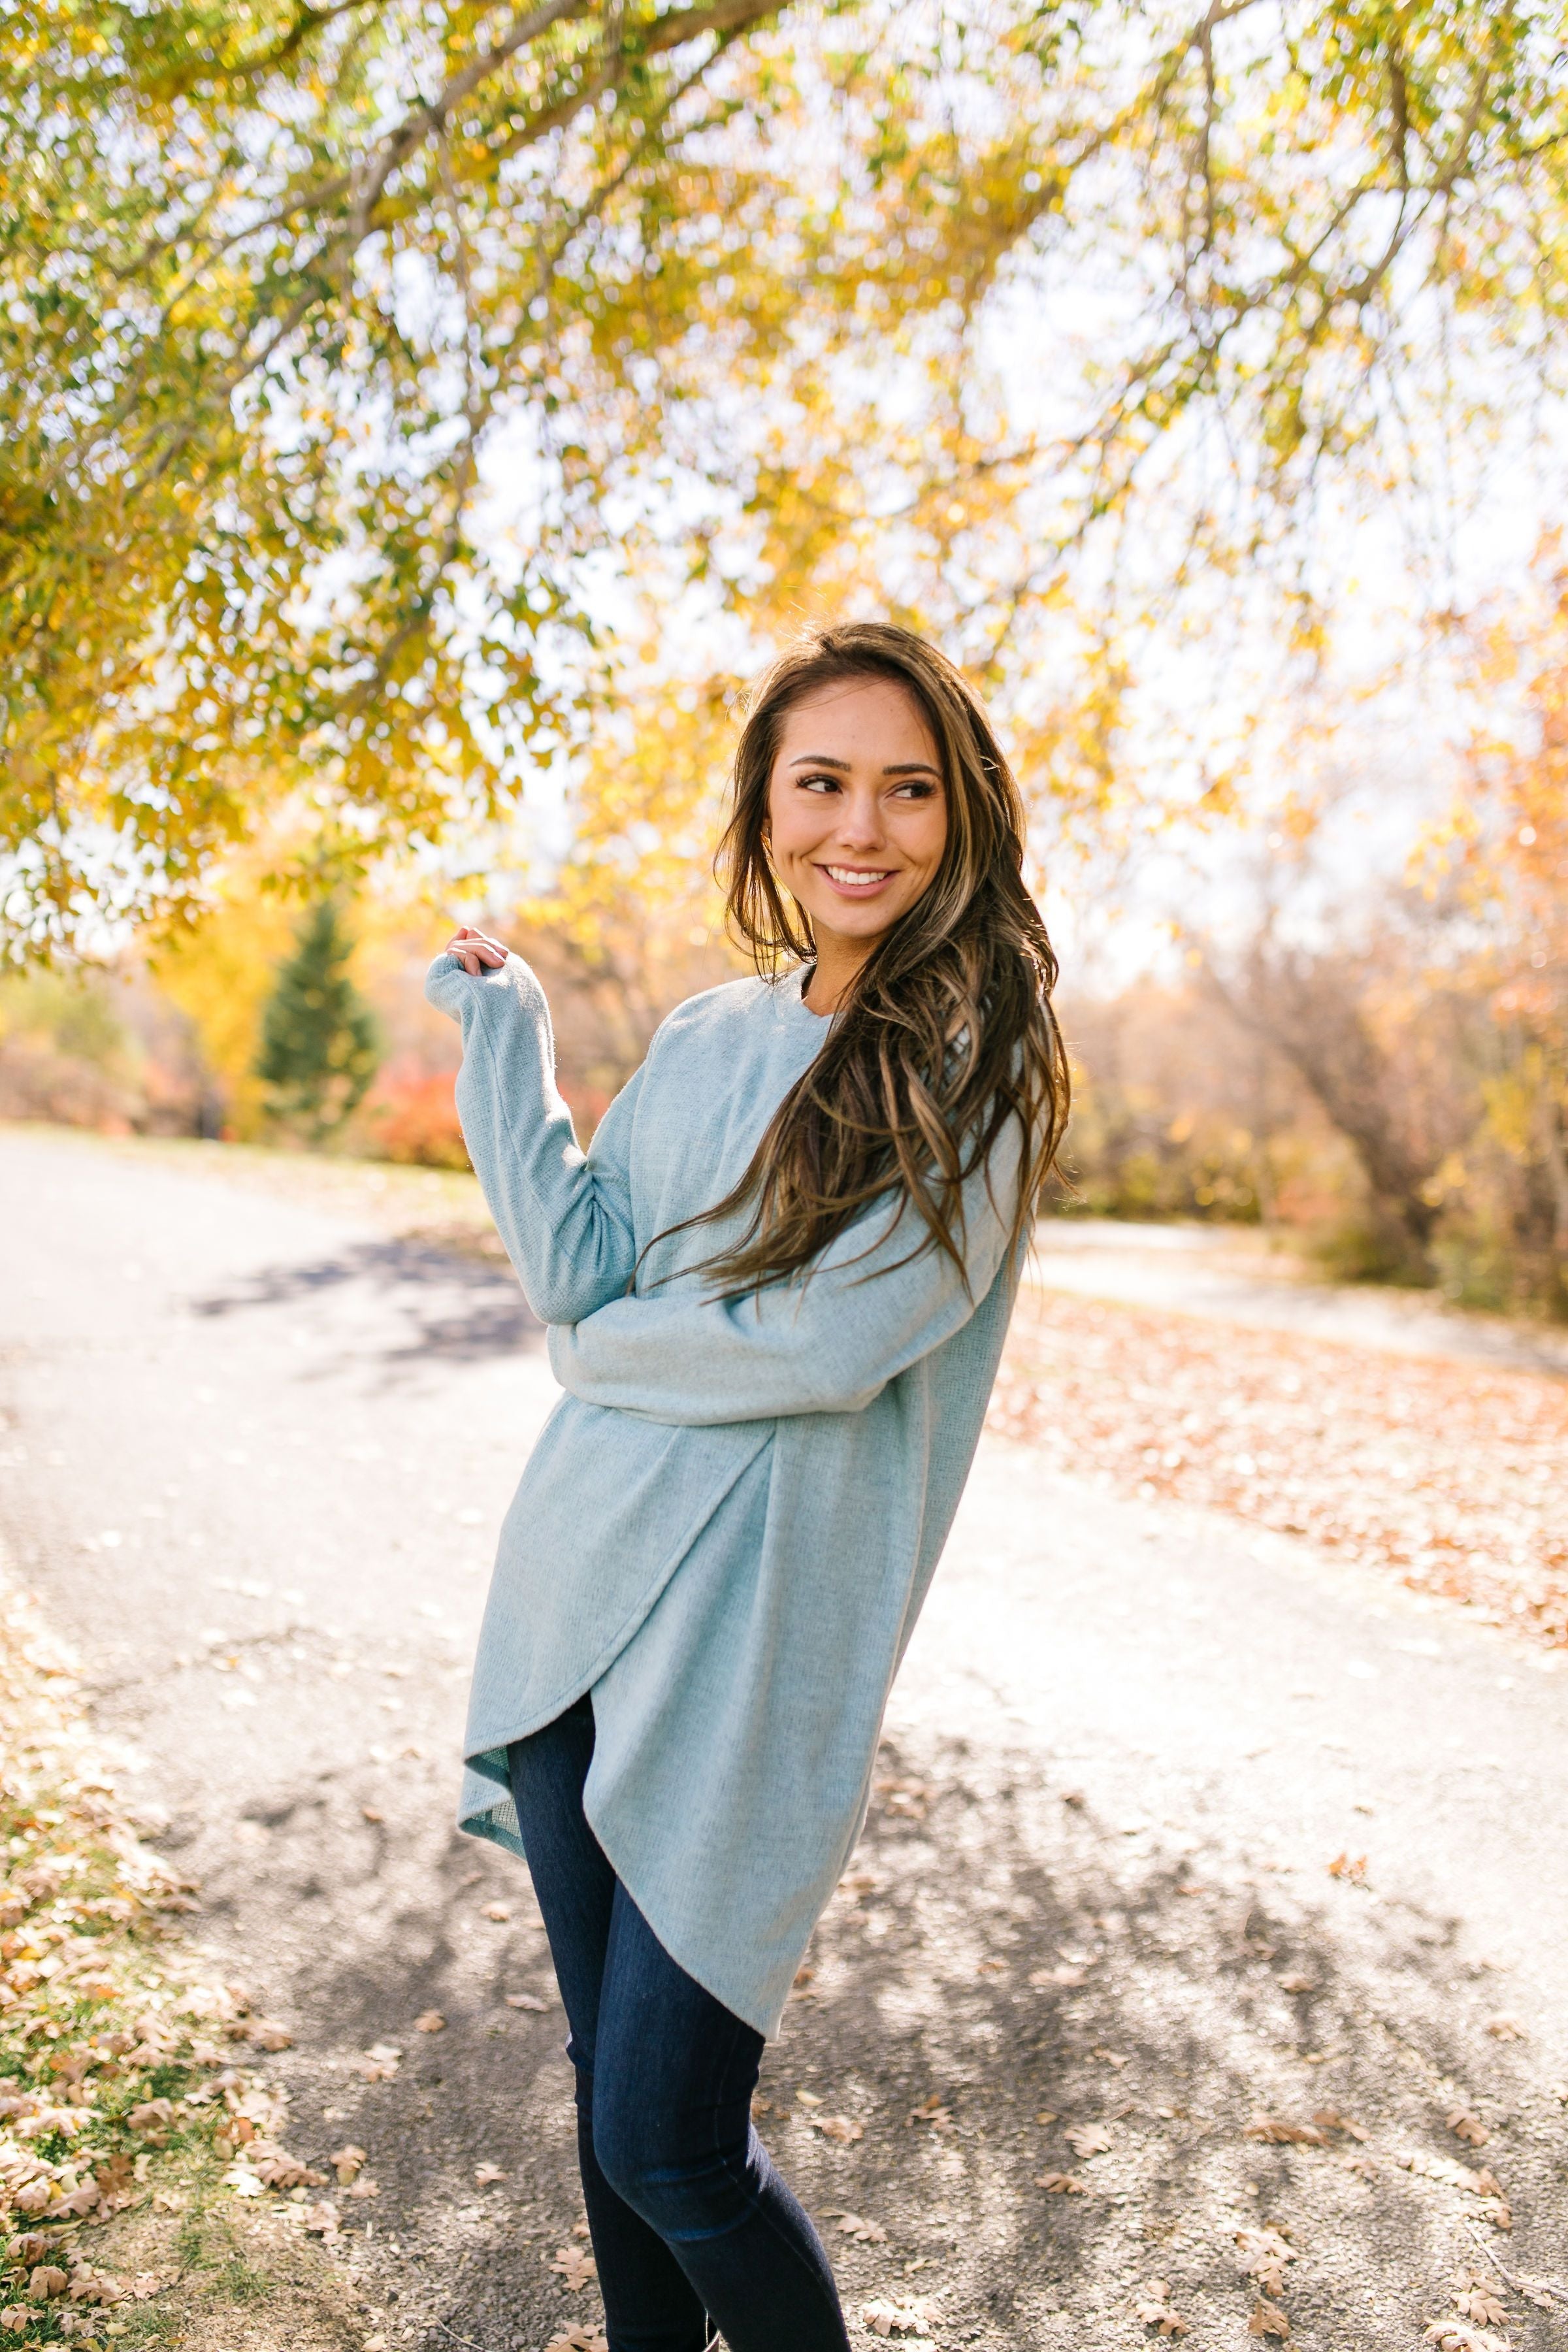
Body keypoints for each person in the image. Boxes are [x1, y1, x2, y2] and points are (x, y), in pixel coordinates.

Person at [426, 622, 1068, 2351]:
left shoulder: (978, 1061)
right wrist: (512, 1038)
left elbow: (825, 1348)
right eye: (824, 783)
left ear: (965, 816)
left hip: (753, 1655)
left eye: (910, 789)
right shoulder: (714, 1032)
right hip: (572, 1607)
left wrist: (612, 1357)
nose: (863, 827)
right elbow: (580, 1271)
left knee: (674, 2138)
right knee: (604, 2106)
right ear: (767, 805)